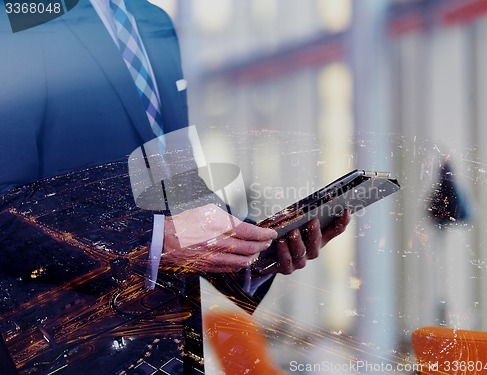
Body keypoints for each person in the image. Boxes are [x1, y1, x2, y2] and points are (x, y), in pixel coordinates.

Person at [0, 1, 350, 373]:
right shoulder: (16, 16)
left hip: (168, 345)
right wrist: (152, 241)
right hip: (62, 348)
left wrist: (248, 247)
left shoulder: (153, 22)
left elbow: (174, 178)